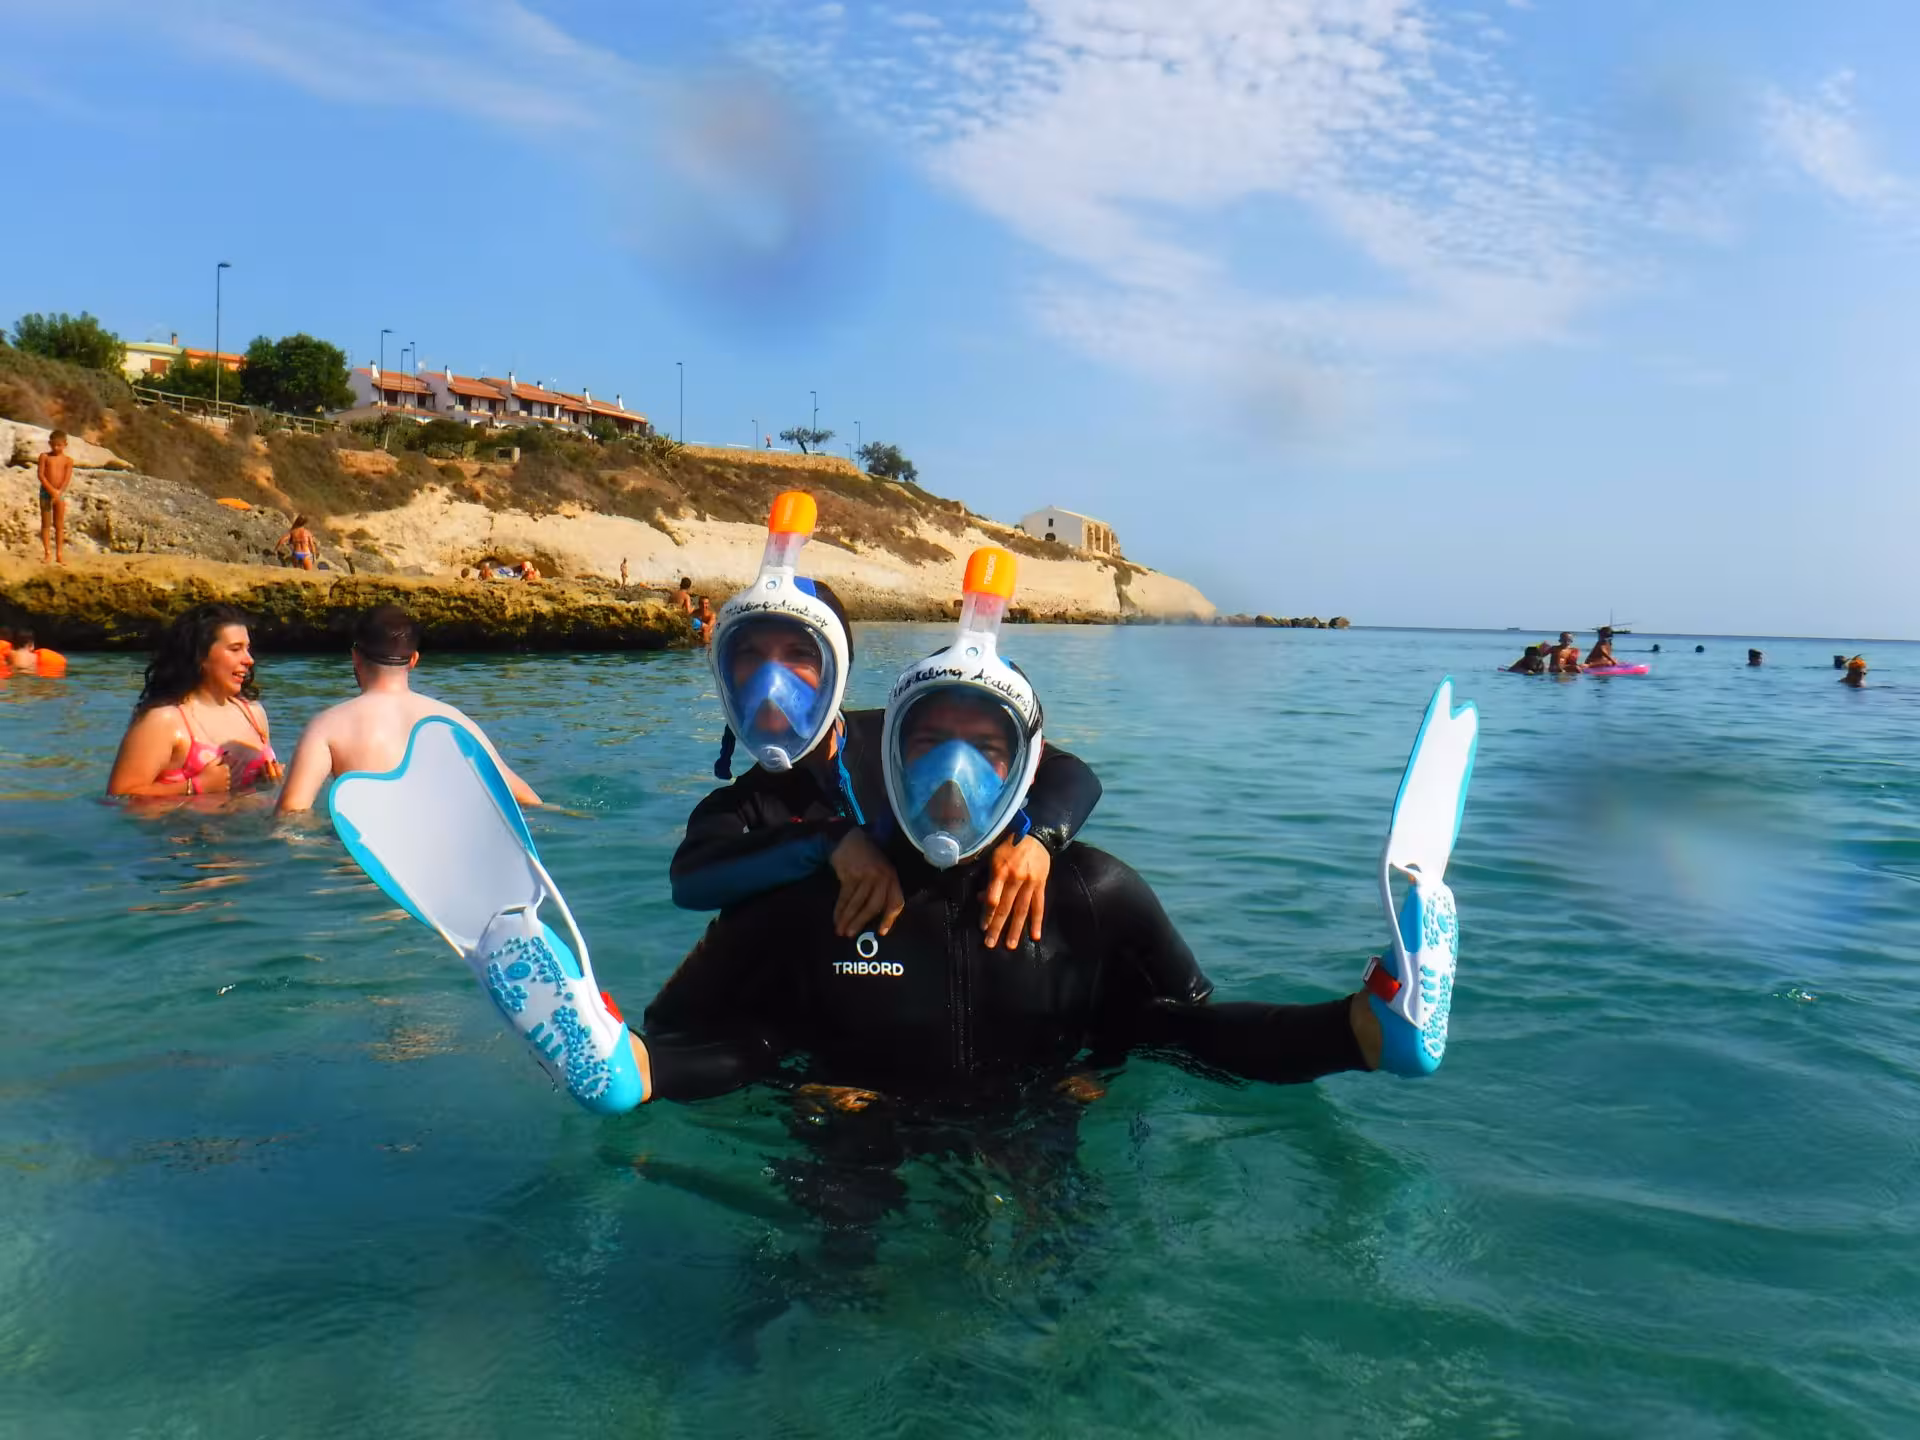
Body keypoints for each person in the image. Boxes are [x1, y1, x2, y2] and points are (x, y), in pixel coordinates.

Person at [622, 550, 1413, 1136]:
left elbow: (1182, 1025)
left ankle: (1376, 1029)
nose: (951, 771)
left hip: (1034, 1116)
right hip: (857, 1117)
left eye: (796, 654)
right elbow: (751, 1019)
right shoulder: (794, 874)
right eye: (927, 740)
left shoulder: (1088, 890)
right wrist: (645, 1068)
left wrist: (1038, 839)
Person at [675, 509, 1101, 952]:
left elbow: (1068, 773)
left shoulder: (909, 741)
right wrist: (828, 841)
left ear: (836, 669)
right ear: (724, 672)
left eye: (799, 653)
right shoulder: (743, 804)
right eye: (749, 654)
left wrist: (1039, 840)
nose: (771, 680)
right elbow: (692, 882)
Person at [276, 605, 540, 813]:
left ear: (355, 656)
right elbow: (525, 798)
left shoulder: (327, 725)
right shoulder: (453, 719)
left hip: (358, 874)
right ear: (413, 660)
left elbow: (291, 815)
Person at [106, 604, 283, 798]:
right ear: (201, 656)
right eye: (235, 649)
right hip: (185, 827)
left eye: (247, 649)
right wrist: (196, 786)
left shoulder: (253, 714)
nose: (249, 660)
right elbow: (119, 798)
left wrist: (266, 781)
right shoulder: (164, 721)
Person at [38, 430, 73, 566]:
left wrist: (58, 492)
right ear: (49, 443)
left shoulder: (68, 460)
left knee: (59, 525)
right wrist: (52, 491)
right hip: (46, 492)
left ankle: (59, 554)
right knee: (46, 524)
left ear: (65, 445)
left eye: (59, 445)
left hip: (60, 493)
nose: (56, 448)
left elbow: (66, 479)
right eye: (54, 445)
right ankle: (47, 553)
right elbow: (41, 475)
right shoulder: (44, 457)